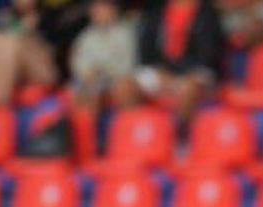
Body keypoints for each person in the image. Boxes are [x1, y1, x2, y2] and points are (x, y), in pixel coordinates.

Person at [135, 0, 226, 136]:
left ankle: (181, 141)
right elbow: (146, 49)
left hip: (195, 71)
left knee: (189, 88)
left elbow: (210, 55)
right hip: (162, 71)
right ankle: (136, 138)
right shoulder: (157, 9)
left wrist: (181, 75)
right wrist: (160, 71)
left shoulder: (207, 12)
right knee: (126, 87)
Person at [69, 0, 138, 112]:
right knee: (73, 92)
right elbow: (78, 63)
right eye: (94, 8)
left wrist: (101, 71)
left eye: (101, 8)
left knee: (94, 92)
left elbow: (127, 66)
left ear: (113, 10)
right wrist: (87, 74)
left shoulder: (125, 33)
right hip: (87, 81)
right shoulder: (86, 36)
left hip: (114, 81)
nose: (96, 11)